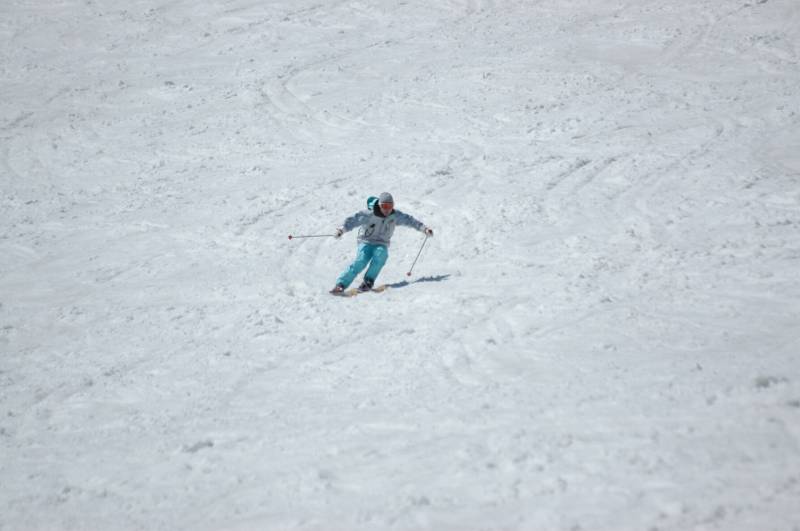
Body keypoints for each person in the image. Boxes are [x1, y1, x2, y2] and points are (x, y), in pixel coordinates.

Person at [331, 192, 433, 294]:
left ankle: (368, 281)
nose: (387, 210)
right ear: (380, 205)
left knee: (381, 254)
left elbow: (409, 220)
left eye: (390, 206)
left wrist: (424, 229)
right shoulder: (369, 214)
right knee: (361, 260)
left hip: (381, 243)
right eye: (384, 206)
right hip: (366, 241)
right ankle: (341, 284)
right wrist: (341, 230)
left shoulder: (395, 216)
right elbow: (353, 220)